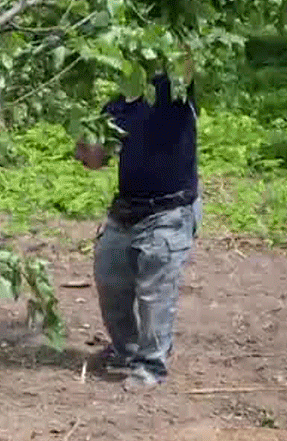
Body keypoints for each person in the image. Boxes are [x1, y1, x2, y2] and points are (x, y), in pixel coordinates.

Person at [75, 70, 200, 390]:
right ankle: (127, 350)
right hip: (127, 210)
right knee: (109, 277)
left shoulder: (175, 90)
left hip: (170, 211)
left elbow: (188, 51)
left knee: (154, 293)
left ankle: (151, 363)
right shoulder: (118, 105)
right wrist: (84, 138)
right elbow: (94, 161)